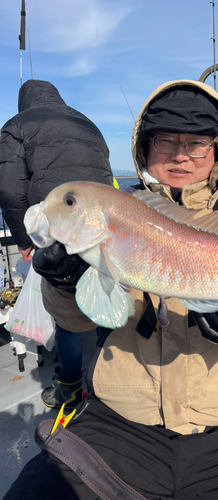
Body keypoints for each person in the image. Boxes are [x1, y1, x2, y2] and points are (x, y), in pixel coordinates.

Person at [3, 80, 218, 499]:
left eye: (197, 143)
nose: (180, 154)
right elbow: (75, 320)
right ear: (145, 149)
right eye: (164, 140)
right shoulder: (117, 212)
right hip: (119, 422)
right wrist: (63, 282)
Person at [0, 79, 114, 409]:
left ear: (24, 102)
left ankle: (69, 386)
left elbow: (9, 191)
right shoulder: (89, 124)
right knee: (106, 301)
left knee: (66, 317)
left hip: (58, 235)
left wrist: (24, 240)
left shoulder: (16, 126)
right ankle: (111, 375)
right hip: (103, 230)